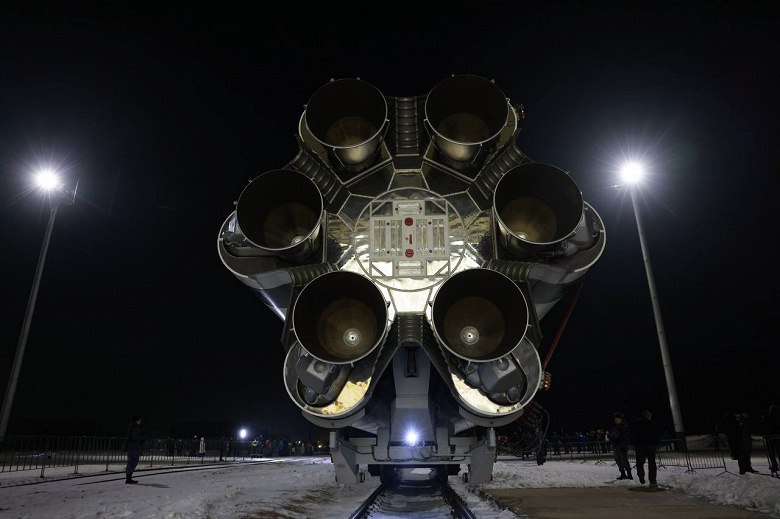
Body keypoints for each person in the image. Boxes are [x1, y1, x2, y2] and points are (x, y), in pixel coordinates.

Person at [719, 408, 757, 475]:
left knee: (747, 455)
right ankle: (742, 469)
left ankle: (748, 467)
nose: (746, 414)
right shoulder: (739, 421)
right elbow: (736, 432)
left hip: (746, 440)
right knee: (742, 456)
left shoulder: (746, 420)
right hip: (741, 441)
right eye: (745, 413)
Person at [631, 409, 661, 487]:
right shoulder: (652, 424)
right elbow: (656, 435)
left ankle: (641, 477)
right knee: (652, 463)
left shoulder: (637, 425)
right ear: (649, 416)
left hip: (640, 446)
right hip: (650, 446)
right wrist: (656, 444)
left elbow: (633, 435)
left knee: (640, 463)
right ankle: (652, 480)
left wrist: (634, 444)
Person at [607, 412, 633, 480]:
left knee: (624, 461)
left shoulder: (624, 427)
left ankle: (629, 475)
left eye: (617, 419)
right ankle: (623, 474)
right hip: (616, 446)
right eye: (615, 419)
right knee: (618, 461)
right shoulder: (614, 427)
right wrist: (610, 436)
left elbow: (626, 438)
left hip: (622, 447)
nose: (616, 420)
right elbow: (612, 435)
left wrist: (624, 446)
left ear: (621, 419)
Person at [125, 415, 146, 484]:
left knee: (132, 462)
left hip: (134, 447)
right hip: (134, 447)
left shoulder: (133, 427)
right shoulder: (135, 428)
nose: (140, 421)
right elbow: (137, 437)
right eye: (139, 420)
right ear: (137, 420)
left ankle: (129, 478)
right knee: (132, 462)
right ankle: (128, 478)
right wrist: (143, 438)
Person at [761, 404, 779, 477]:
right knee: (778, 452)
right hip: (777, 436)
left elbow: (766, 426)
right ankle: (775, 466)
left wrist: (764, 433)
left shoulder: (768, 416)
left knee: (771, 453)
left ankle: (774, 466)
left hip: (770, 437)